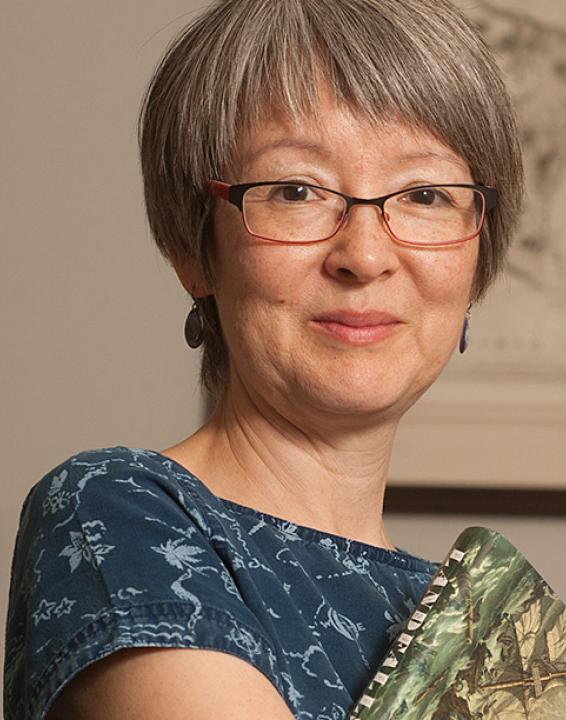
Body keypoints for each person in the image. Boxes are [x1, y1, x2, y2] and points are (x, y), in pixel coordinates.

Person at [3, 1, 523, 718]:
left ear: (477, 257)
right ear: (195, 252)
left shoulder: (481, 628)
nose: (366, 256)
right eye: (296, 191)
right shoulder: (117, 514)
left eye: (425, 194)